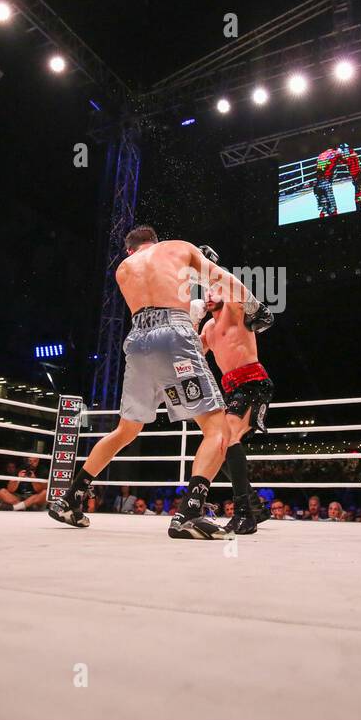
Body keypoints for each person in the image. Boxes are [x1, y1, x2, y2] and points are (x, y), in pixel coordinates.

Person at [53, 226, 270, 539]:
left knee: (126, 429)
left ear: (131, 249)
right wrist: (254, 304)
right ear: (154, 241)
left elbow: (161, 292)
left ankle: (70, 498)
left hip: (137, 341)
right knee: (218, 430)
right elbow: (224, 280)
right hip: (174, 336)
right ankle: (190, 513)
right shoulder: (177, 247)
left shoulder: (124, 268)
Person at [195, 250, 275, 534]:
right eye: (204, 291)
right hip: (230, 391)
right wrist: (192, 316)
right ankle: (253, 505)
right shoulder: (208, 328)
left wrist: (208, 267)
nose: (208, 294)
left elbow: (231, 285)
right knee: (219, 445)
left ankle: (245, 514)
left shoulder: (234, 307)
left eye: (212, 289)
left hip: (253, 382)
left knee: (228, 438)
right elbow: (192, 352)